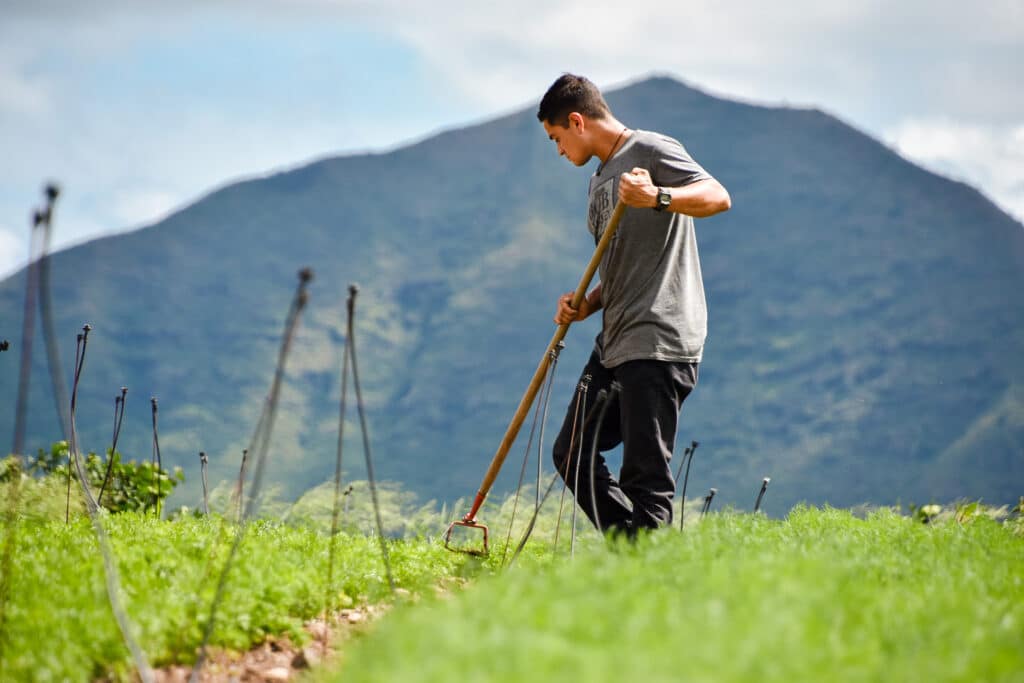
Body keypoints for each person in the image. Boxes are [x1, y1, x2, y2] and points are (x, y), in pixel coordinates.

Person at [538, 73, 731, 536]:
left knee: (644, 478)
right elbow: (621, 263)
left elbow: (717, 197)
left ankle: (647, 574)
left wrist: (658, 196)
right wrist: (587, 304)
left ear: (578, 121)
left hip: (658, 338)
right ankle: (637, 552)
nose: (559, 151)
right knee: (571, 452)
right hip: (615, 340)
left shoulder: (650, 150)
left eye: (557, 138)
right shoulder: (598, 181)